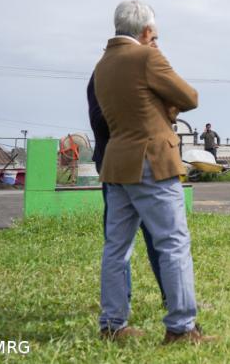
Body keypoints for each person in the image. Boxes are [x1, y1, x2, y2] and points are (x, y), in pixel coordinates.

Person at [94, 0, 215, 344]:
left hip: (117, 163)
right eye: (154, 35)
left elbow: (133, 106)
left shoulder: (102, 65)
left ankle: (112, 324)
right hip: (152, 161)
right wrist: (167, 102)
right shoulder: (147, 57)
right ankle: (181, 328)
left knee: (116, 247)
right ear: (146, 31)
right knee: (173, 243)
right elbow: (189, 96)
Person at [88, 69, 165, 306]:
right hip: (118, 172)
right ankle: (120, 301)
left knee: (159, 236)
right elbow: (100, 123)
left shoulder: (139, 74)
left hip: (146, 169)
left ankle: (170, 296)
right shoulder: (103, 75)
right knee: (119, 241)